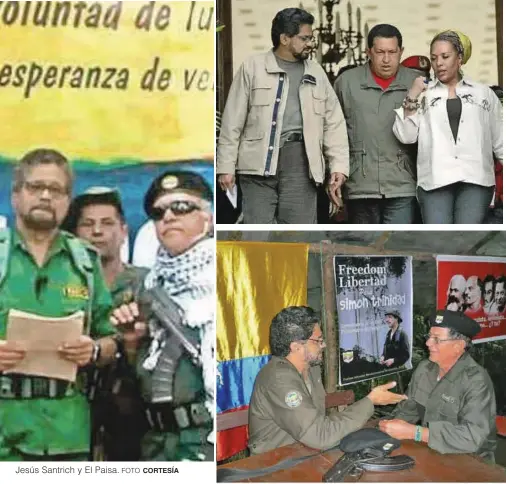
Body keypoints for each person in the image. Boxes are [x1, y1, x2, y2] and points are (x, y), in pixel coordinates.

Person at [0, 149, 118, 461]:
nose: (45, 196)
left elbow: (112, 340)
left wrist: (92, 350)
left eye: (56, 190)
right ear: (15, 196)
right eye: (35, 187)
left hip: (67, 436)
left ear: (67, 201)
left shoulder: (86, 263)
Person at [110, 171, 214, 461]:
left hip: (210, 440)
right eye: (159, 212)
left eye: (181, 207)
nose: (168, 216)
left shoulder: (231, 274)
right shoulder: (148, 288)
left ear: (208, 216)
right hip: (159, 444)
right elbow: (138, 384)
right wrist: (131, 343)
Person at [217, 7, 348, 224]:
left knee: (297, 238)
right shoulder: (253, 67)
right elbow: (233, 122)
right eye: (305, 38)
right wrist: (225, 168)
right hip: (256, 166)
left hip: (302, 165)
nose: (311, 43)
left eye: (311, 37)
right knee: (258, 237)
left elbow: (334, 124)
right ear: (285, 38)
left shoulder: (316, 71)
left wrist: (339, 167)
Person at [248, 306, 407, 455]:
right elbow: (320, 435)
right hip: (275, 463)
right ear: (296, 347)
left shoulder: (311, 368)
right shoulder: (279, 380)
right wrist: (370, 401)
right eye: (318, 340)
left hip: (305, 452)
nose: (323, 345)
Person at [63, 187, 149, 461]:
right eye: (87, 224)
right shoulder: (61, 286)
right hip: (72, 413)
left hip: (134, 415)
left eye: (107, 223)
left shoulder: (148, 284)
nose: (97, 231)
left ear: (124, 230)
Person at [393, 30, 503, 224]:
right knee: (438, 236)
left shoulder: (483, 94)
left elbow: (501, 138)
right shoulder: (424, 94)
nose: (439, 63)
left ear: (459, 58)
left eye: (445, 56)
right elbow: (406, 136)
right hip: (435, 179)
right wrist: (412, 95)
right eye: (434, 58)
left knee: (467, 237)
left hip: (475, 178)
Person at [379, 310, 497, 462]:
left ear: (458, 346)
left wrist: (416, 433)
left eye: (437, 339)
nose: (428, 343)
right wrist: (389, 428)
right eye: (429, 337)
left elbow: (472, 437)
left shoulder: (476, 380)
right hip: (430, 451)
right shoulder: (425, 369)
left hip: (471, 461)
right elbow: (407, 410)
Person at [334, 24, 418, 224]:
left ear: (401, 52)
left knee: (398, 245)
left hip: (403, 182)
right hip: (359, 182)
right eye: (380, 52)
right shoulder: (347, 82)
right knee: (364, 245)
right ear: (368, 52)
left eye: (392, 52)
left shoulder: (416, 83)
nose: (386, 59)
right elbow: (332, 131)